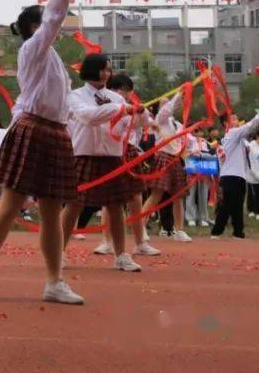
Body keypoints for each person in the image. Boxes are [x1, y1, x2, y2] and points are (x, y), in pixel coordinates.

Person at [0, 0, 83, 305]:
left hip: (54, 133)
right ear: (36, 26)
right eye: (49, 21)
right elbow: (54, 15)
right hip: (32, 129)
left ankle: (54, 281)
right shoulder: (34, 48)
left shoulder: (53, 59)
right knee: (10, 204)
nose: (59, 27)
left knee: (51, 210)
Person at [60, 53, 143, 273]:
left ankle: (121, 255)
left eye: (109, 70)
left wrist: (139, 115)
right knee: (74, 204)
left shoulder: (116, 98)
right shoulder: (75, 96)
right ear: (92, 69)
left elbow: (130, 126)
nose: (107, 74)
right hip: (84, 154)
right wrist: (120, 109)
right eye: (103, 69)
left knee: (116, 206)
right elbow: (88, 116)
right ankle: (57, 251)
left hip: (112, 157)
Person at [100, 73, 161, 257]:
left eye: (128, 91)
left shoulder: (128, 107)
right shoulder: (104, 105)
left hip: (130, 151)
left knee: (135, 197)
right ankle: (107, 242)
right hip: (110, 153)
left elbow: (139, 124)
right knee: (109, 200)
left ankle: (140, 242)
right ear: (116, 90)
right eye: (125, 90)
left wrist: (141, 113)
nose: (127, 94)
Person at [211, 109, 259, 239]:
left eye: (237, 118)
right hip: (231, 176)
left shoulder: (237, 138)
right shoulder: (233, 133)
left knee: (236, 205)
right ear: (226, 123)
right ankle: (218, 232)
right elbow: (251, 125)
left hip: (237, 176)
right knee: (227, 205)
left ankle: (236, 232)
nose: (237, 121)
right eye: (233, 119)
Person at [142, 93, 192, 242]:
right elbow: (167, 110)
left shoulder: (177, 124)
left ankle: (179, 230)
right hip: (163, 157)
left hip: (176, 159)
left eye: (168, 102)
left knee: (178, 196)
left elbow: (185, 141)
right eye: (164, 102)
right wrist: (178, 94)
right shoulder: (160, 119)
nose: (168, 103)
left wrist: (182, 96)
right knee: (156, 194)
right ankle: (141, 227)